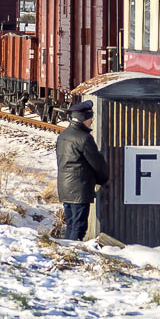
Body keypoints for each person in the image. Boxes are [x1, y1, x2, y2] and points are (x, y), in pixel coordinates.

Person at [54, 101, 105, 241]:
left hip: (65, 187)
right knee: (79, 226)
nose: (92, 121)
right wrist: (103, 179)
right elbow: (97, 163)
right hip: (79, 188)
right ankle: (72, 252)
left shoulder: (63, 136)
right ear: (84, 118)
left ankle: (66, 250)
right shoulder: (84, 138)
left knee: (71, 224)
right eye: (90, 118)